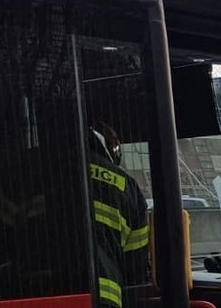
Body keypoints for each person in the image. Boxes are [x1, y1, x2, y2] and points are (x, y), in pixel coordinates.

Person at [88, 123, 150, 307]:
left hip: (34, 296)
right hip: (104, 299)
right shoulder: (126, 186)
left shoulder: (31, 174)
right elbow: (136, 265)